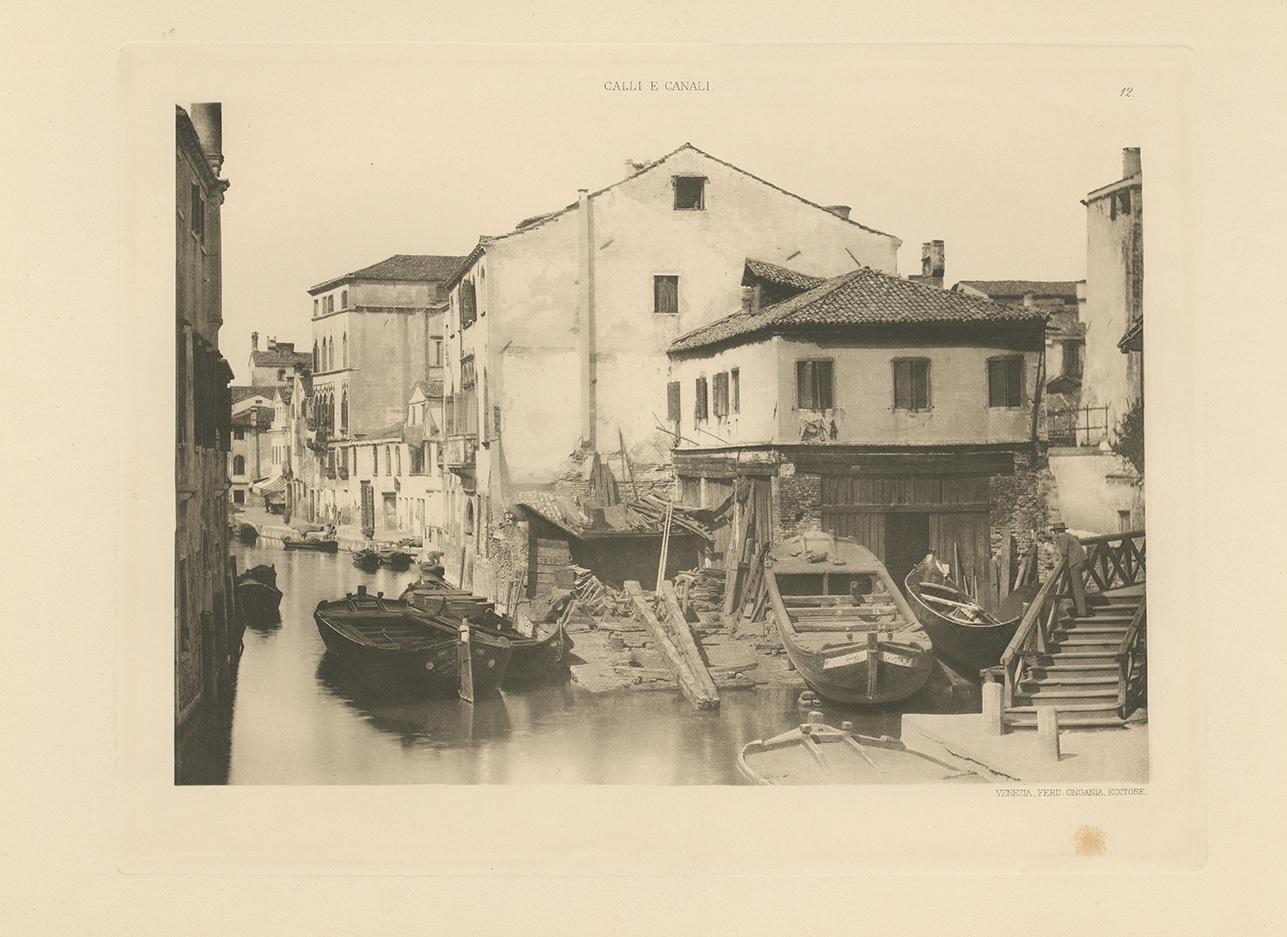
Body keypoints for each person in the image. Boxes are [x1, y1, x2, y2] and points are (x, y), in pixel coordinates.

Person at [1053, 522, 1089, 617]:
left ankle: (1082, 612)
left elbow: (1064, 553)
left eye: (1055, 532)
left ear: (1056, 532)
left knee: (1078, 588)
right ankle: (1076, 603)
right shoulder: (1068, 536)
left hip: (1076, 563)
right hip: (1081, 561)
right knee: (1076, 585)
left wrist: (1058, 544)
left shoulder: (1063, 537)